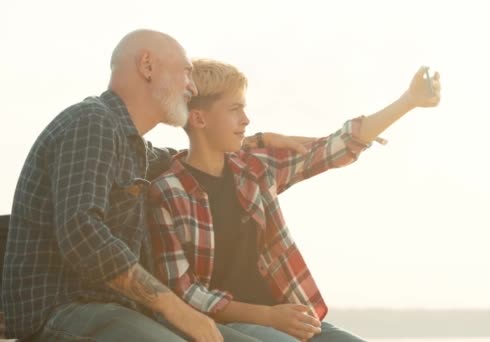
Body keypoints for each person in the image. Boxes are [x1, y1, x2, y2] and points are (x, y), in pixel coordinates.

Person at [1, 29, 310, 342]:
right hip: (63, 310)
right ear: (147, 66)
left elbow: (191, 158)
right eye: (186, 73)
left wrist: (255, 141)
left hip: (117, 311)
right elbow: (82, 234)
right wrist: (176, 309)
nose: (191, 87)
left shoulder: (133, 146)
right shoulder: (91, 123)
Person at [147, 59, 441, 341]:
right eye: (235, 109)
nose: (246, 119)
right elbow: (185, 292)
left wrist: (409, 100)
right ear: (199, 118)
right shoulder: (167, 192)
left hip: (290, 318)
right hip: (227, 327)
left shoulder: (254, 169)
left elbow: (334, 147)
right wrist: (269, 317)